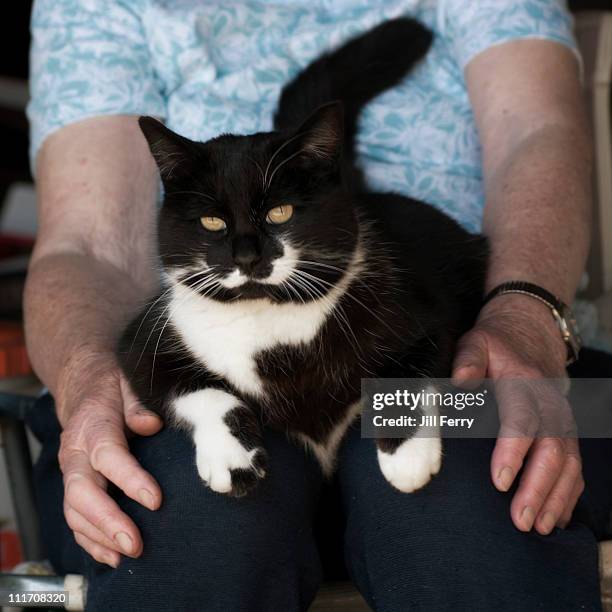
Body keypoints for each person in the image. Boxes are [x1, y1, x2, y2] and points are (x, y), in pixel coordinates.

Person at [24, 0, 612, 610]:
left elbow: (538, 133)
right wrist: (82, 375)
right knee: (185, 515)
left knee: (464, 496)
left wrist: (526, 315)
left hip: (474, 343)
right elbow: (84, 244)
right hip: (211, 365)